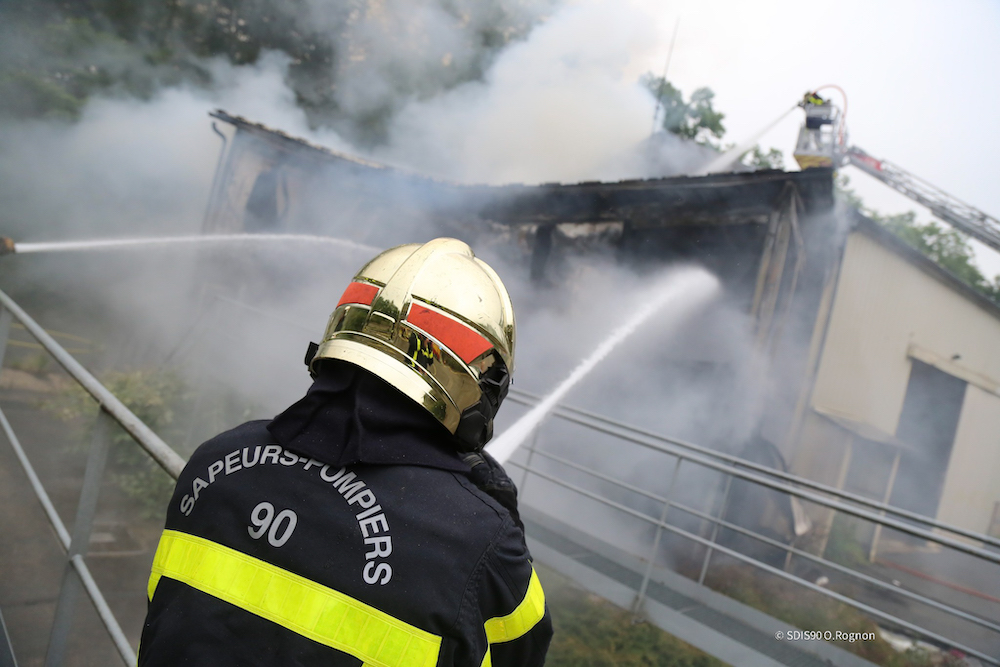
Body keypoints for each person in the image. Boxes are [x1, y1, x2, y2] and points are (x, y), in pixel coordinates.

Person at [138, 238, 552, 666]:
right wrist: (501, 520)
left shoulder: (215, 459)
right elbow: (521, 655)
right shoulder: (479, 541)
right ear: (474, 382)